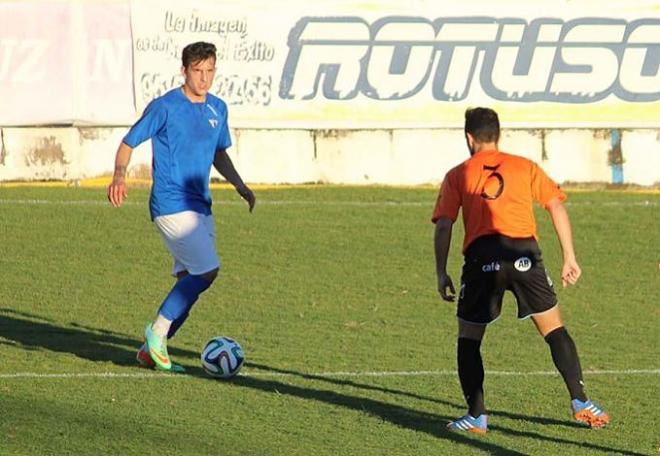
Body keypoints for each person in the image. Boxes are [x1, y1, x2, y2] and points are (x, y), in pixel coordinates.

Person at [432, 107, 609, 433]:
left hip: (482, 258)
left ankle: (477, 416)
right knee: (554, 329)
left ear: (470, 138)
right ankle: (581, 400)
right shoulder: (524, 166)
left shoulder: (458, 174)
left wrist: (441, 272)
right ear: (498, 135)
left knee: (469, 338)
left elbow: (445, 225)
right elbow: (556, 204)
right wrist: (569, 256)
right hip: (524, 254)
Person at [107, 41, 255, 372]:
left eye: (209, 71)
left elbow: (218, 153)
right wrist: (119, 176)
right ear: (184, 70)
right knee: (207, 271)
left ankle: (149, 351)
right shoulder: (165, 107)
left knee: (190, 278)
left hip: (200, 205)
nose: (204, 78)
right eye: (197, 71)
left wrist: (239, 184)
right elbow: (129, 142)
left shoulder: (218, 108)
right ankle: (157, 333)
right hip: (171, 203)